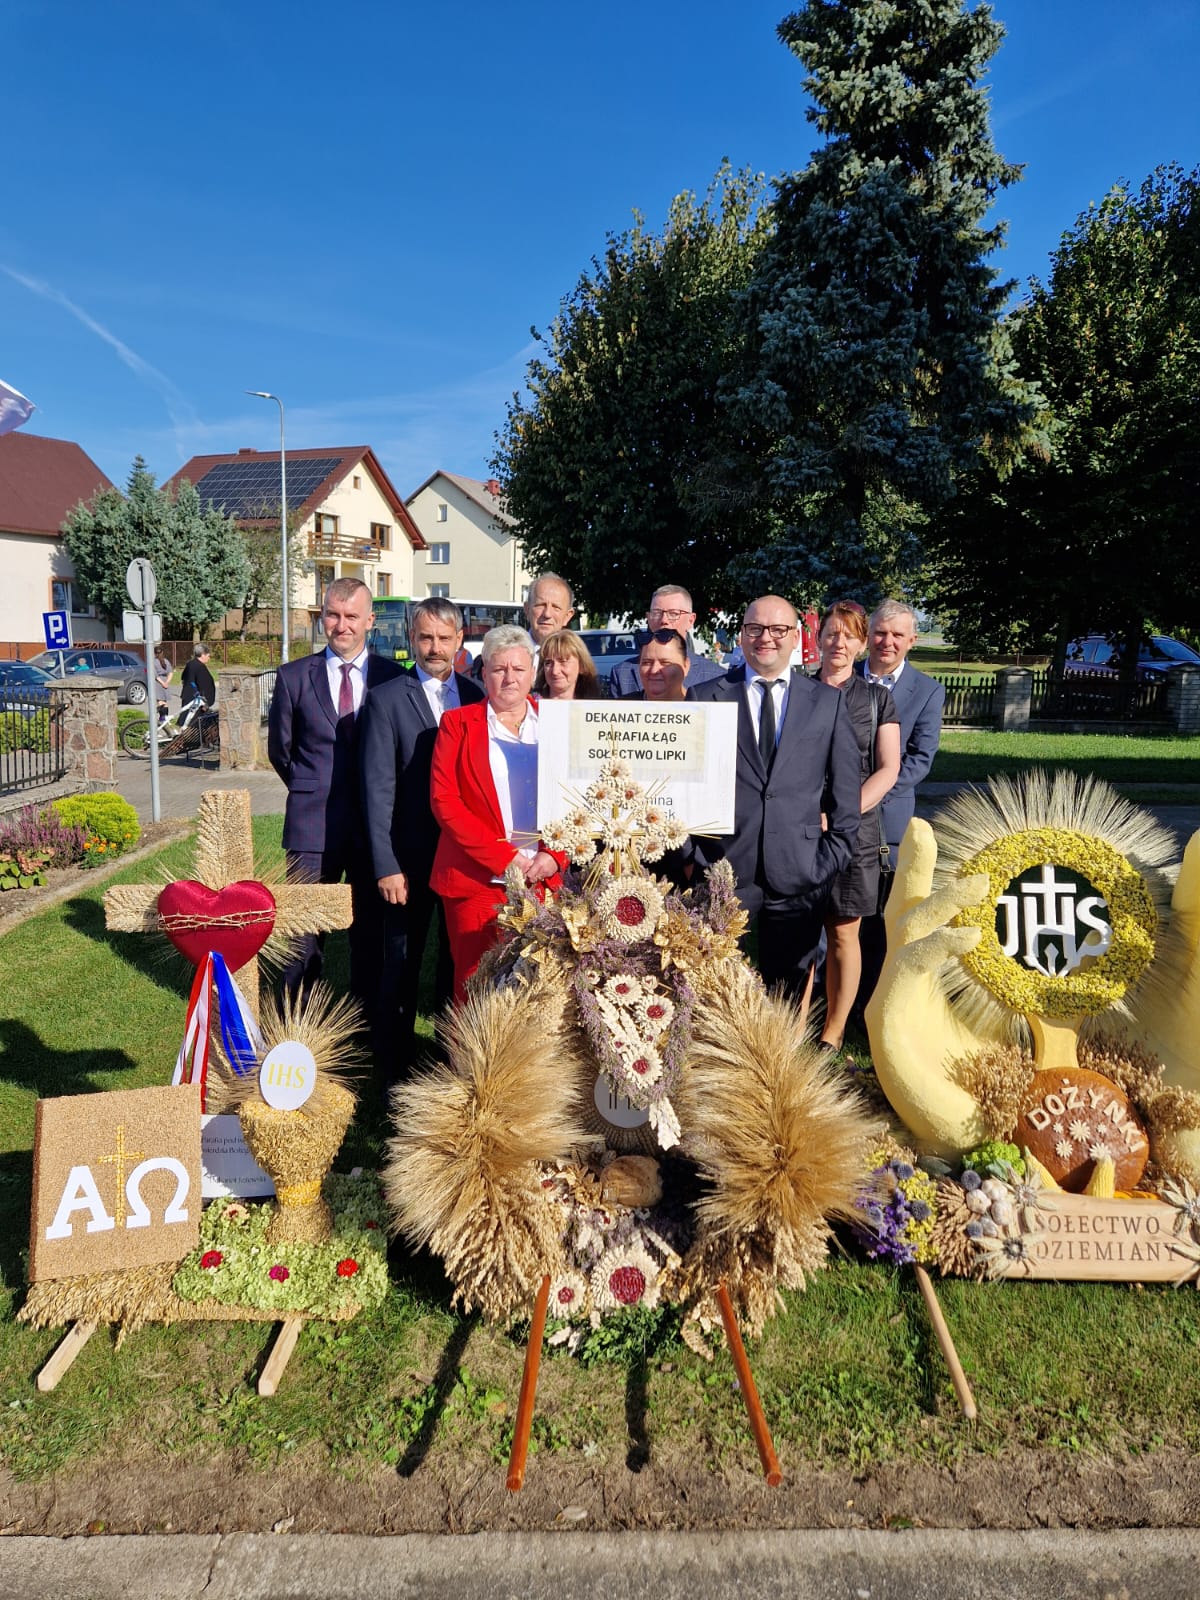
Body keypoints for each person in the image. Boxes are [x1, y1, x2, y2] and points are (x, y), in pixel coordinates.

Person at [689, 595, 861, 1005]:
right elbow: (685, 788)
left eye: (778, 629)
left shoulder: (828, 702)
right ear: (743, 635)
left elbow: (845, 797)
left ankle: (779, 1069)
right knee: (714, 992)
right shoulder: (706, 697)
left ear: (796, 636)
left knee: (787, 995)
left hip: (800, 873)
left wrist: (828, 858)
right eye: (755, 629)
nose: (765, 638)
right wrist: (692, 858)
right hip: (724, 870)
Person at [268, 577, 405, 1023]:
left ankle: (362, 1024)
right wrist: (310, 788)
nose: (341, 625)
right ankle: (294, 1022)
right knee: (302, 931)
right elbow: (280, 751)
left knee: (368, 930)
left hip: (372, 829)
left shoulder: (392, 677)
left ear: (370, 620)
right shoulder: (293, 677)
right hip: (311, 827)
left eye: (351, 616)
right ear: (321, 616)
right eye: (333, 614)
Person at [358, 599, 485, 1082]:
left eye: (444, 639)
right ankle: (394, 1073)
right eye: (425, 638)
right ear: (413, 640)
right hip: (407, 861)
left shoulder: (477, 696)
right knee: (402, 965)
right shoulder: (387, 699)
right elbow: (377, 788)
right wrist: (385, 863)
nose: (434, 648)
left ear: (459, 642)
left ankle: (455, 1065)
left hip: (463, 860)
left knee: (459, 966)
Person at [430, 624, 565, 1002]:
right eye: (499, 669)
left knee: (541, 986)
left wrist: (554, 856)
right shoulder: (457, 725)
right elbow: (445, 801)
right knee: (476, 983)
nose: (509, 678)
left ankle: (530, 1064)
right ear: (484, 673)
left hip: (543, 877)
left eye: (518, 669)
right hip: (476, 882)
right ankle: (475, 1062)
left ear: (532, 673)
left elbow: (577, 801)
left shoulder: (557, 725)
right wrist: (505, 859)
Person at [807, 601, 900, 1052]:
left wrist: (841, 815)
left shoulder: (878, 699)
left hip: (853, 833)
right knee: (802, 930)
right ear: (819, 638)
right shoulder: (798, 693)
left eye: (849, 635)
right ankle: (797, 1020)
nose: (838, 642)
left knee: (844, 933)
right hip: (800, 830)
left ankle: (834, 1032)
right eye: (831, 633)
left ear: (862, 644)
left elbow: (888, 769)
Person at [856, 599, 946, 1013]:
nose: (886, 642)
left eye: (897, 635)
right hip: (828, 812)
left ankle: (869, 1002)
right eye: (879, 633)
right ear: (867, 635)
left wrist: (869, 794)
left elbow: (919, 760)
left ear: (911, 640)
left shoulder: (926, 691)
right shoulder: (839, 679)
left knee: (876, 914)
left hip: (886, 819)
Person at [608, 585, 725, 698]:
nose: (664, 620)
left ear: (691, 620)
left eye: (673, 614)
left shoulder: (716, 676)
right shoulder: (622, 673)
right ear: (648, 618)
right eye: (657, 613)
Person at [624, 628, 692, 702]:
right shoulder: (620, 708)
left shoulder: (703, 709)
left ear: (686, 666)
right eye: (647, 663)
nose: (654, 670)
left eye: (665, 663)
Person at [533, 628, 601, 700]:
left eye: (563, 661)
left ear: (581, 666)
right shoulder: (531, 707)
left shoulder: (595, 708)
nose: (555, 671)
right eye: (548, 663)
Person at [179, 644, 216, 709]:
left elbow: (183, 678)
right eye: (208, 656)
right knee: (194, 718)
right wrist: (207, 701)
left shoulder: (190, 664)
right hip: (196, 700)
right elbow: (204, 685)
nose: (209, 658)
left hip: (187, 696)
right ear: (202, 655)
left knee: (185, 717)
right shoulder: (200, 667)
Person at [153, 649, 172, 724]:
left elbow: (155, 675)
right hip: (165, 680)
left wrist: (162, 683)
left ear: (154, 653)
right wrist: (167, 682)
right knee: (165, 702)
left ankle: (162, 719)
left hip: (158, 682)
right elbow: (170, 672)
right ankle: (165, 718)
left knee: (160, 702)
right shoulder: (166, 661)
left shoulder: (153, 662)